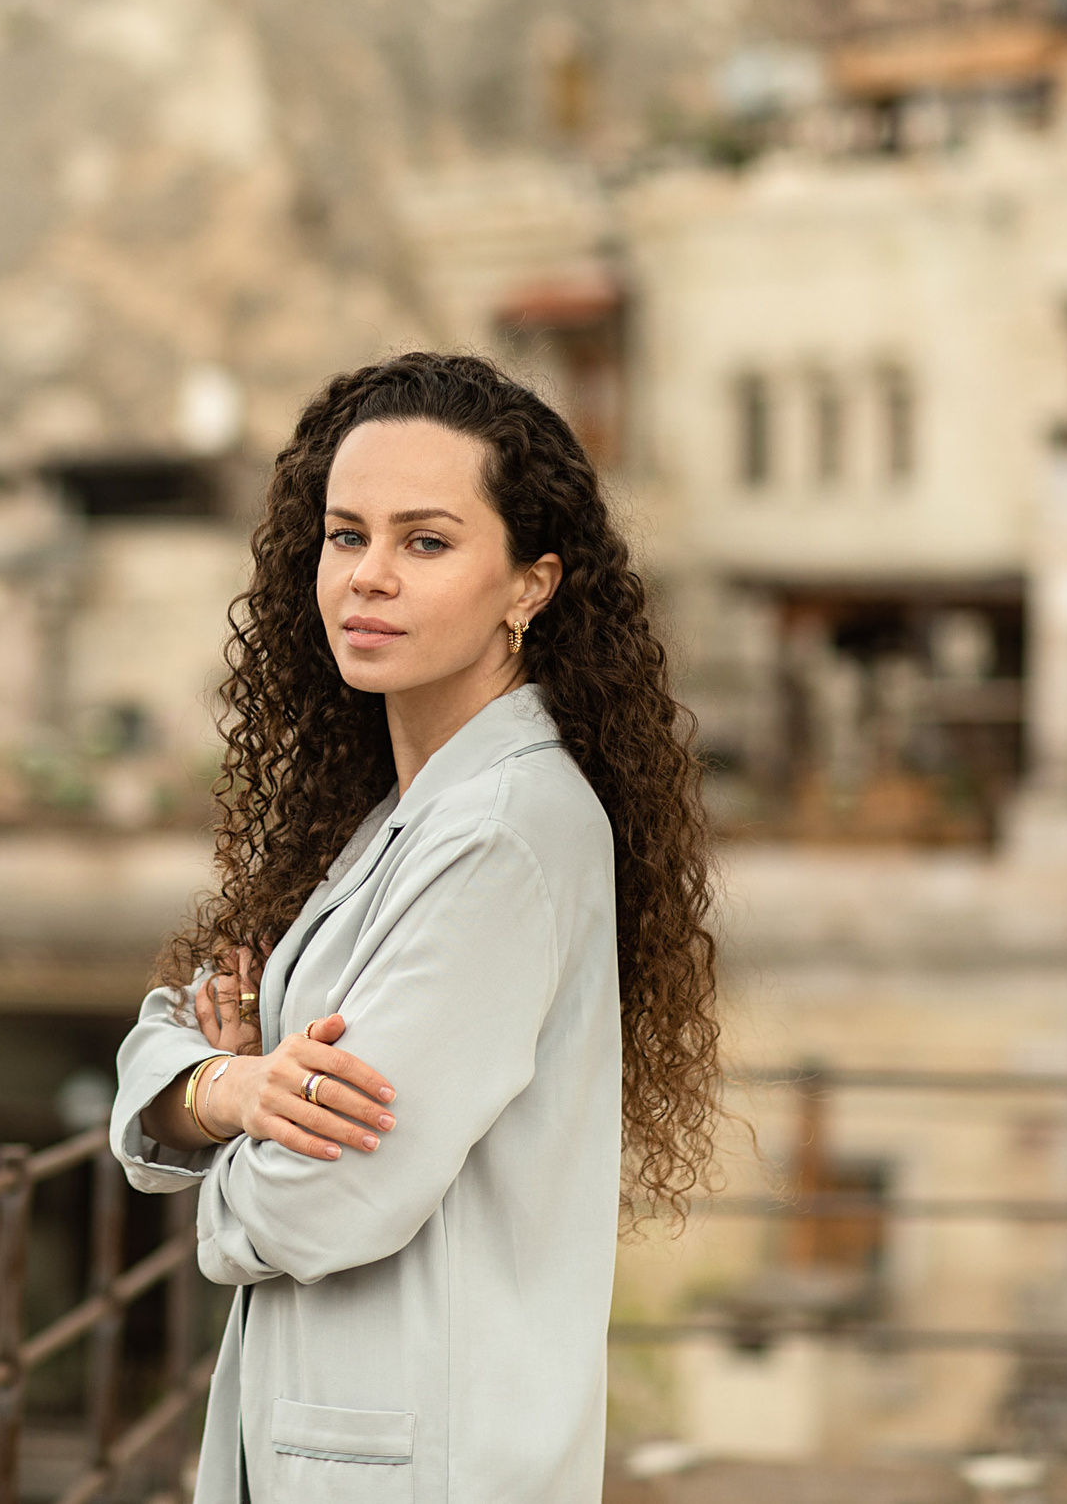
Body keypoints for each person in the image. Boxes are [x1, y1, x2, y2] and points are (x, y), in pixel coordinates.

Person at [110, 352, 720, 1502]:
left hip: (423, 1465)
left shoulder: (502, 835)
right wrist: (230, 1094)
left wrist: (218, 1171)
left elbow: (328, 1197)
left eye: (425, 542)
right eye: (348, 537)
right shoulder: (397, 815)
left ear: (529, 585)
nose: (369, 578)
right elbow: (163, 1038)